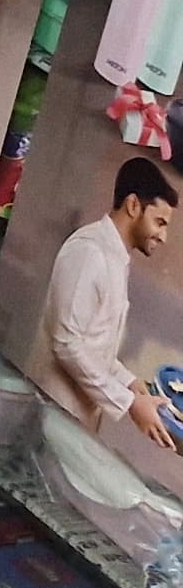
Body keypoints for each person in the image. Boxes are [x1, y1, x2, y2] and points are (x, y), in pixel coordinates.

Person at [42, 156, 183, 454]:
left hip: (79, 416)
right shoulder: (89, 252)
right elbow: (67, 344)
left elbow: (95, 345)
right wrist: (130, 404)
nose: (163, 235)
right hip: (54, 413)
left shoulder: (115, 256)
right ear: (133, 206)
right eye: (159, 222)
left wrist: (131, 383)